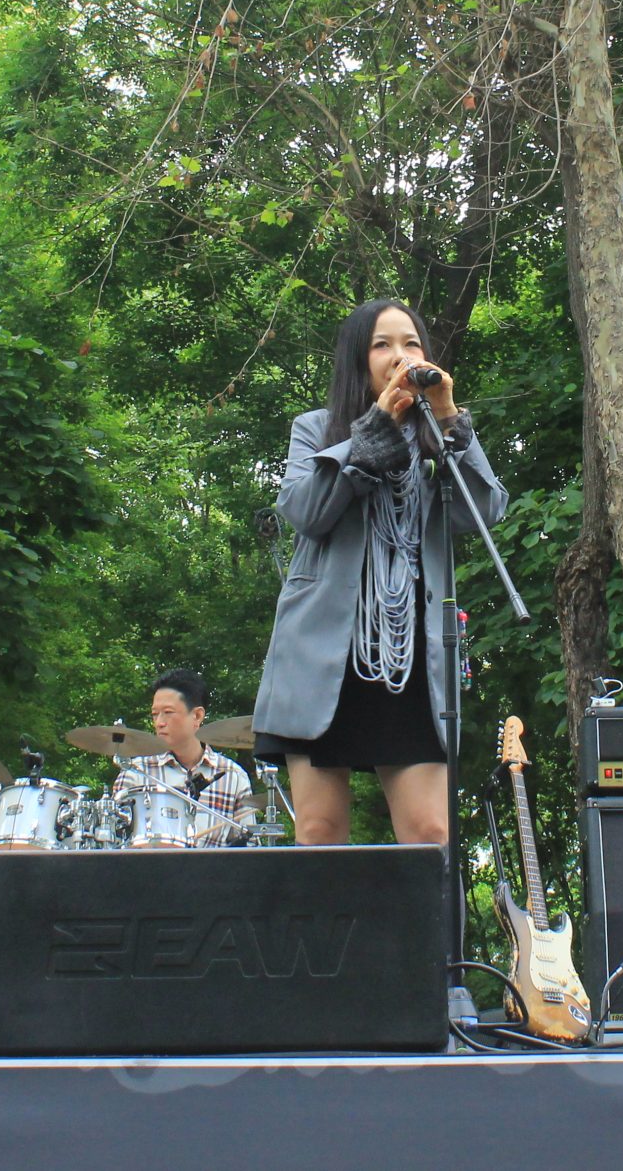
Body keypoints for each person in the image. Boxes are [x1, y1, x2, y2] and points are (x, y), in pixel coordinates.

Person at [253, 299, 507, 847]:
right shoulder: (316, 429)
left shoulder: (437, 438)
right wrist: (371, 435)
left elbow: (484, 512)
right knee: (319, 830)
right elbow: (306, 512)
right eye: (382, 345)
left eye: (411, 343)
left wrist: (449, 418)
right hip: (324, 651)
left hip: (410, 654)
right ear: (357, 360)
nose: (400, 355)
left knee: (431, 831)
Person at [110, 668, 254, 845]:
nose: (159, 723)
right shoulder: (136, 772)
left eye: (168, 712)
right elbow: (113, 842)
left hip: (212, 864)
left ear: (197, 716)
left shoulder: (233, 776)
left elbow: (249, 848)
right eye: (155, 714)